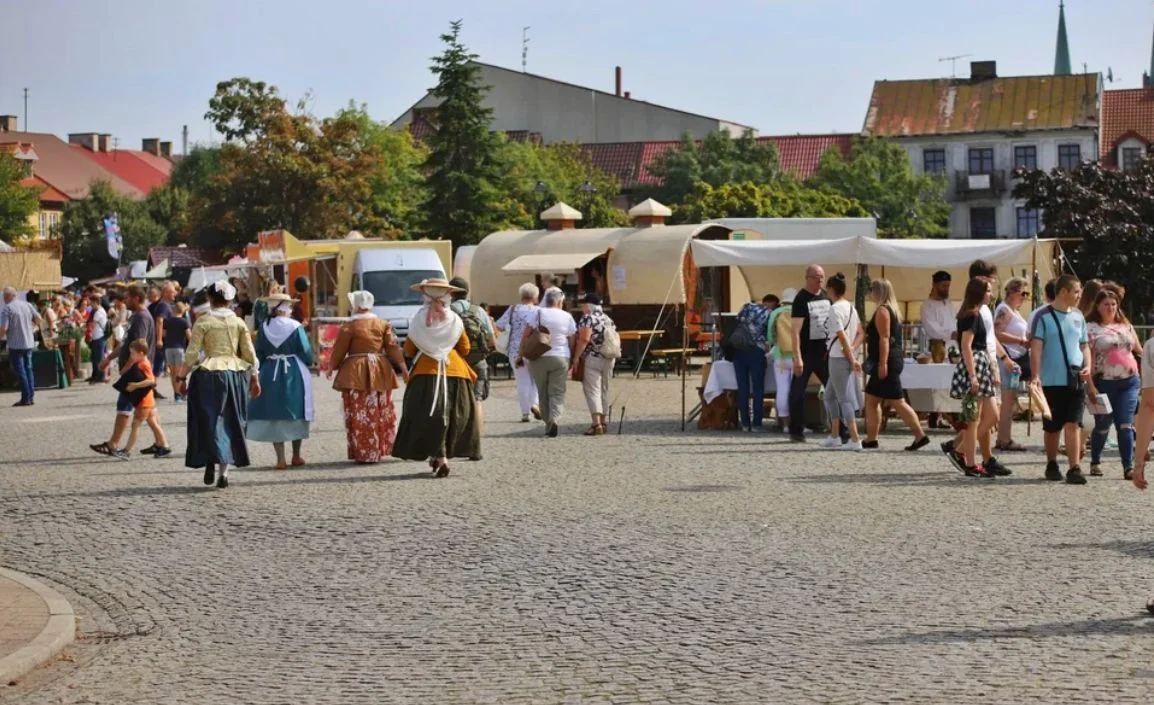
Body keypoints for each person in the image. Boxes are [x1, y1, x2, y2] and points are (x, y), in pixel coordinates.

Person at [393, 277, 480, 476]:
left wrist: (427, 345)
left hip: (426, 374)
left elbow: (408, 349)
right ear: (448, 295)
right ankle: (440, 455)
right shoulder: (455, 319)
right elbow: (465, 349)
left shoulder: (418, 319)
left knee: (427, 416)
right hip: (456, 373)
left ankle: (439, 457)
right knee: (452, 415)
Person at [180, 280, 260, 489]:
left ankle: (209, 459)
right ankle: (224, 473)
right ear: (230, 300)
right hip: (234, 374)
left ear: (210, 299)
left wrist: (181, 377)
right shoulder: (239, 323)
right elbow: (249, 353)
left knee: (207, 419)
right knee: (231, 421)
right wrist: (255, 377)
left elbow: (192, 352)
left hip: (209, 374)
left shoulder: (203, 321)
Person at [328, 290, 408, 464]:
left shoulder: (350, 326)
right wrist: (403, 367)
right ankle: (379, 448)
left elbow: (339, 349)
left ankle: (364, 451)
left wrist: (331, 366)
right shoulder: (382, 323)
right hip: (379, 368)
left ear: (355, 305)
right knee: (379, 409)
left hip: (355, 370)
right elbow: (393, 347)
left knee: (360, 411)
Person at [1030, 274, 1089, 485]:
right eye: (1076, 291)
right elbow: (1036, 347)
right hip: (1051, 379)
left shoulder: (1079, 317)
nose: (1079, 295)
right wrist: (1035, 375)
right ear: (1063, 291)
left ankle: (1074, 467)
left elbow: (1084, 345)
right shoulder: (1043, 317)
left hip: (1074, 378)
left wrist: (1088, 365)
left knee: (1073, 422)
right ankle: (1052, 462)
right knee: (1052, 426)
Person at [247, 292, 314, 470]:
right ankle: (296, 455)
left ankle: (280, 458)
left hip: (270, 371)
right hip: (293, 370)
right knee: (296, 411)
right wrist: (308, 361)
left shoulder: (264, 327)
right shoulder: (295, 326)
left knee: (275, 414)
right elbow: (305, 351)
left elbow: (258, 352)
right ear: (284, 308)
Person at [861, 279, 929, 452]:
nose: (869, 292)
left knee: (897, 401)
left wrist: (882, 363)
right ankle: (871, 438)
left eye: (871, 289)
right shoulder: (892, 311)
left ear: (877, 291)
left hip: (886, 360)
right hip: (891, 358)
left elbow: (884, 338)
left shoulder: (882, 311)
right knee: (872, 399)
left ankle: (919, 435)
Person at [90, 286, 155, 455]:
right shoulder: (135, 316)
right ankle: (162, 444)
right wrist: (109, 358)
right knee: (148, 411)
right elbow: (127, 344)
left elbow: (139, 347)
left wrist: (126, 368)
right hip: (133, 368)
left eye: (127, 298)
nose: (124, 301)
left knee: (124, 407)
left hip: (135, 370)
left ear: (136, 298)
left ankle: (113, 444)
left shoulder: (141, 318)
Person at [1085, 288, 1141, 479]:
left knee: (1125, 424)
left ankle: (1128, 466)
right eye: (1106, 304)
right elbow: (1088, 359)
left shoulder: (1125, 325)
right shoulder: (1090, 328)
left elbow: (1137, 349)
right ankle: (1095, 461)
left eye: (1114, 304)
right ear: (1098, 306)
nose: (1110, 308)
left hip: (1129, 381)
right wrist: (1090, 384)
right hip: (1104, 383)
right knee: (1102, 425)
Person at [949, 278, 1002, 477]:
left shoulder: (976, 313)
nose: (991, 294)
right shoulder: (971, 315)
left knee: (991, 415)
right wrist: (972, 375)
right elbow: (966, 346)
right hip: (975, 365)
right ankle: (970, 462)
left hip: (981, 364)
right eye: (988, 290)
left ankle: (961, 451)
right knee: (974, 418)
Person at [789, 264, 837, 442]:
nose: (820, 280)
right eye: (816, 276)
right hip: (806, 353)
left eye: (822, 276)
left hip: (824, 353)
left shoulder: (826, 297)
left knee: (834, 389)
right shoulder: (801, 299)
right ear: (807, 278)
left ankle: (840, 429)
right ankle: (796, 430)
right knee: (797, 392)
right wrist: (797, 357)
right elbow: (794, 331)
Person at [525, 287, 577, 438]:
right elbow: (572, 338)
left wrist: (520, 354)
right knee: (557, 391)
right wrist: (572, 355)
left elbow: (526, 334)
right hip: (561, 356)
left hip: (538, 356)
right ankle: (555, 418)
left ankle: (548, 422)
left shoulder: (537, 313)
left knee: (542, 391)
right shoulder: (567, 316)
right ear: (559, 301)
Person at [819, 273, 863, 450]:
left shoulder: (835, 309)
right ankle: (835, 435)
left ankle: (854, 438)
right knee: (829, 396)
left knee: (843, 399)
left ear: (831, 289)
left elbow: (841, 334)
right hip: (843, 355)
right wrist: (852, 350)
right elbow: (860, 332)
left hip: (838, 357)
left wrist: (850, 356)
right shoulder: (851, 308)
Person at [449, 276, 497, 435]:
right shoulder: (479, 311)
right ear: (467, 292)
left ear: (451, 293)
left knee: (455, 401)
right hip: (478, 360)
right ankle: (476, 440)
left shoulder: (449, 311)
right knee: (477, 400)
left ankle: (458, 436)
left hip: (456, 362)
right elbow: (491, 339)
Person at [111, 338, 171, 459]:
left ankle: (127, 451)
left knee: (136, 424)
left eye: (133, 353)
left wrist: (135, 386)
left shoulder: (144, 364)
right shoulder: (141, 362)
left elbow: (151, 380)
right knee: (153, 423)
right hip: (148, 399)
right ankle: (164, 446)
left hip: (144, 401)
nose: (131, 355)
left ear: (141, 353)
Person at [994, 277, 1033, 451]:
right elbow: (997, 333)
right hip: (1009, 360)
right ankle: (1004, 439)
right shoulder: (1004, 310)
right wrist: (1020, 340)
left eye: (1027, 293)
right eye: (1023, 293)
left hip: (1015, 359)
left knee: (1010, 401)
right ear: (1012, 292)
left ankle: (1005, 437)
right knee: (1008, 401)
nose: (1025, 297)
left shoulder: (1012, 311)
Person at [495, 283, 542, 423]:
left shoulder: (513, 309)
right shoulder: (539, 311)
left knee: (522, 381)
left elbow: (499, 325)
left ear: (521, 296)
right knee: (535, 380)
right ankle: (535, 404)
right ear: (535, 296)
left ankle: (525, 413)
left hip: (516, 350)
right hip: (535, 349)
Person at [572, 292, 616, 436]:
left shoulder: (587, 319)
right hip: (609, 358)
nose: (582, 308)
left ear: (588, 305)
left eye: (583, 305)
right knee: (604, 389)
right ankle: (603, 422)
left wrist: (576, 358)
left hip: (592, 358)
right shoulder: (608, 319)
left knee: (592, 390)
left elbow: (584, 339)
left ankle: (596, 424)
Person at [731, 294, 774, 431]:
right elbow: (770, 336)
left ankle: (744, 423)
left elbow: (735, 323)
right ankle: (756, 424)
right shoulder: (769, 313)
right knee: (757, 389)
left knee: (742, 388)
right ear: (772, 303)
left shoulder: (746, 307)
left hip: (739, 349)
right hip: (757, 351)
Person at [0, 287, 41, 407]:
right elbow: (39, 318)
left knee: (20, 371)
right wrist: (30, 326)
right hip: (28, 342)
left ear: (9, 296)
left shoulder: (7, 309)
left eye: (4, 296)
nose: (4, 299)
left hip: (15, 344)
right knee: (28, 369)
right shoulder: (27, 305)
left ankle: (25, 397)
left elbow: (4, 328)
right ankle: (31, 396)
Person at [765, 288, 797, 432]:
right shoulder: (801, 311)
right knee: (797, 390)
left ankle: (785, 424)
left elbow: (770, 338)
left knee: (782, 389)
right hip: (798, 356)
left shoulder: (775, 313)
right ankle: (797, 424)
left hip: (780, 356)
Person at [921, 271, 955, 364]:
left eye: (948, 286)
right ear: (934, 285)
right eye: (943, 286)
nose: (946, 289)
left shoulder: (948, 303)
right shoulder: (927, 306)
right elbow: (933, 330)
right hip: (937, 352)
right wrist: (952, 334)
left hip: (953, 352)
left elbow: (954, 322)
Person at [162, 302, 191, 402]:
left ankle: (176, 394)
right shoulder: (184, 322)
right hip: (179, 349)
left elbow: (164, 334)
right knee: (179, 373)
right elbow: (189, 336)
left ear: (174, 310)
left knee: (172, 373)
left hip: (168, 348)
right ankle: (178, 394)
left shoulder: (167, 321)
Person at [86, 293, 109, 384]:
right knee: (95, 358)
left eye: (91, 302)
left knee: (98, 358)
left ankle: (100, 377)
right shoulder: (100, 310)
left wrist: (90, 336)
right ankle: (95, 375)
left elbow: (93, 325)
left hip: (98, 337)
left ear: (95, 302)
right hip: (99, 336)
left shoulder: (98, 312)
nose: (90, 304)